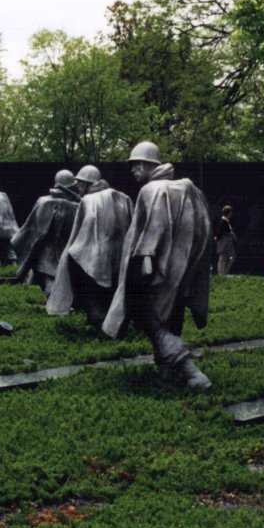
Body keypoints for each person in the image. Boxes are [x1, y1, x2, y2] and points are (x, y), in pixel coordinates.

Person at [102, 141, 212, 390]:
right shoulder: (188, 188)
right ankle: (166, 371)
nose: (133, 171)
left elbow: (154, 226)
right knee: (171, 314)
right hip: (184, 269)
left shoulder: (151, 190)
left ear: (146, 164)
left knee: (145, 314)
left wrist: (146, 257)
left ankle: (190, 371)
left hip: (152, 266)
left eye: (135, 165)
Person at [48, 165, 134, 327]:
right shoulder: (123, 197)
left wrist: (71, 254)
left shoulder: (88, 200)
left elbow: (80, 234)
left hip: (96, 254)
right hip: (121, 255)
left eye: (80, 185)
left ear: (87, 184)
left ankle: (95, 315)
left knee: (73, 263)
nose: (79, 189)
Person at [11, 169, 81, 296]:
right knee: (47, 278)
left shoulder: (43, 201)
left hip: (45, 251)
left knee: (49, 281)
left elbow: (31, 227)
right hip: (62, 251)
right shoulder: (76, 206)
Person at [214, 205, 237, 275]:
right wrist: (217, 238)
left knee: (230, 257)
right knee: (222, 257)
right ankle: (221, 273)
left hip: (228, 242)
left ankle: (224, 272)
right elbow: (219, 232)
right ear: (229, 213)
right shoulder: (223, 221)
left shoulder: (226, 221)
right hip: (224, 241)